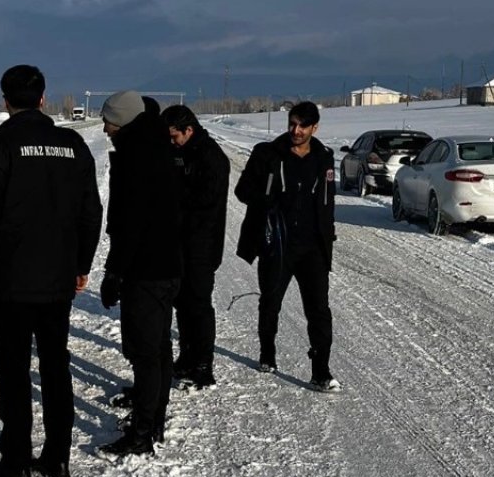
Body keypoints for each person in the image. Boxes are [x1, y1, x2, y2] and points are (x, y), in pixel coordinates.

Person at [0, 64, 102, 477]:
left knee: (15, 370)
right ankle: (57, 459)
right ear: (43, 98)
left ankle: (16, 463)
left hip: (12, 278)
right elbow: (90, 211)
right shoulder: (71, 143)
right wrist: (81, 263)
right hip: (57, 277)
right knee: (56, 366)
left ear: (5, 101)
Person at [233, 101, 340, 391]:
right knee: (270, 302)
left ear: (314, 128)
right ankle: (267, 353)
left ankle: (321, 371)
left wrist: (327, 237)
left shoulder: (324, 157)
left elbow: (328, 202)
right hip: (277, 244)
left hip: (313, 248)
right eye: (292, 124)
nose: (296, 130)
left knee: (319, 309)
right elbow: (242, 191)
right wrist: (265, 201)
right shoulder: (267, 154)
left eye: (303, 125)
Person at [98, 90, 183, 455]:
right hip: (167, 265)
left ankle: (142, 434)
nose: (104, 128)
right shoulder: (159, 147)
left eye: (108, 120)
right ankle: (154, 422)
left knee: (147, 353)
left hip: (145, 270)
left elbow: (130, 223)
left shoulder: (136, 156)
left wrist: (115, 272)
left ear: (124, 120)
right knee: (160, 348)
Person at [161, 104, 230, 389]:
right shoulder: (179, 151)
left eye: (175, 136)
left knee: (199, 304)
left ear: (189, 130)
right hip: (178, 243)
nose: (172, 142)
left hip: (202, 244)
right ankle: (187, 356)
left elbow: (204, 202)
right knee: (182, 303)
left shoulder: (211, 157)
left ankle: (203, 363)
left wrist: (174, 196)